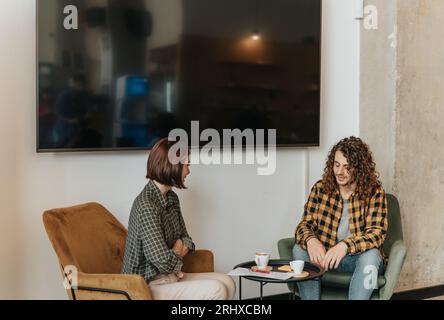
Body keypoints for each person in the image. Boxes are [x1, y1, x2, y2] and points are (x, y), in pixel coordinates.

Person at [122, 138, 235, 300]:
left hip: (171, 276)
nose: (188, 171)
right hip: (145, 285)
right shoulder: (146, 206)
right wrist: (177, 251)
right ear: (173, 166)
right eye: (187, 165)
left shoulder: (172, 198)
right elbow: (163, 262)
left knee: (227, 282)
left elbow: (187, 240)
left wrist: (176, 252)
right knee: (217, 289)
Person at [293, 136, 388, 300]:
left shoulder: (374, 191)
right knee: (299, 249)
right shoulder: (320, 188)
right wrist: (311, 240)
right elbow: (304, 225)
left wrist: (345, 245)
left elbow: (377, 234)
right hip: (324, 259)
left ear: (359, 168)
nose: (339, 172)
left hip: (355, 259)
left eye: (347, 167)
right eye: (336, 165)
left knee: (372, 255)